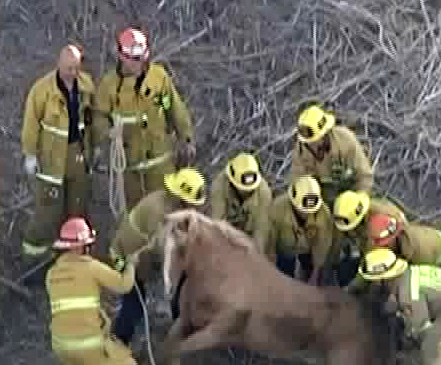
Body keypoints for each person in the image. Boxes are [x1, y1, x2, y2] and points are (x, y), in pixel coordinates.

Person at [46, 217, 144, 365]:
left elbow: (72, 307)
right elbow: (123, 285)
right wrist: (131, 266)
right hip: (89, 342)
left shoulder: (52, 273)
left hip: (61, 344)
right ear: (83, 246)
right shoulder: (90, 267)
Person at [95, 27, 196, 207]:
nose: (137, 64)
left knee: (166, 211)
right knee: (135, 218)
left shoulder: (158, 78)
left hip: (160, 162)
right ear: (121, 57)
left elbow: (172, 106)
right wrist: (107, 132)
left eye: (140, 59)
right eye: (133, 59)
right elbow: (99, 116)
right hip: (129, 167)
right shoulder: (109, 86)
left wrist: (185, 137)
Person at [108, 167, 206, 346]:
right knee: (134, 304)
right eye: (189, 202)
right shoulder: (158, 212)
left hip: (144, 254)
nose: (194, 207)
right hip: (128, 256)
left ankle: (181, 325)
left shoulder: (174, 205)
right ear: (179, 196)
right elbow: (162, 252)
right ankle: (117, 345)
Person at [20, 44, 99, 260]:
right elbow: (31, 123)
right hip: (50, 157)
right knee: (48, 211)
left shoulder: (86, 86)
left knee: (77, 205)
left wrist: (95, 147)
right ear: (59, 64)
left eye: (75, 68)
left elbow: (93, 120)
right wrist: (30, 154)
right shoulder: (42, 90)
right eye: (68, 68)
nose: (72, 73)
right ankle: (34, 257)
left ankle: (71, 254)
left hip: (76, 154)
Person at [351, 247, 441, 347]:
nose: (373, 284)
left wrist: (406, 338)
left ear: (382, 279)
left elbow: (422, 330)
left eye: (373, 281)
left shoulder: (408, 295)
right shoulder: (411, 272)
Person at [288, 103, 373, 205]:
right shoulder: (301, 152)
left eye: (314, 140)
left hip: (351, 198)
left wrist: (358, 201)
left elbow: (364, 176)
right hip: (321, 204)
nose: (310, 144)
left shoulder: (346, 140)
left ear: (324, 133)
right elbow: (297, 184)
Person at [266, 174, 337, 283]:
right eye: (302, 209)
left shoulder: (323, 213)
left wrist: (315, 275)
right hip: (285, 249)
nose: (306, 213)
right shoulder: (278, 207)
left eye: (311, 210)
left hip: (309, 249)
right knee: (284, 274)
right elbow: (270, 238)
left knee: (312, 275)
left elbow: (322, 245)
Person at [331, 189, 408, 286]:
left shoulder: (377, 226)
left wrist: (350, 289)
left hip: (389, 257)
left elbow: (371, 260)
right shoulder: (361, 210)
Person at [365, 211, 441, 275]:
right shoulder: (398, 240)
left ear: (393, 239)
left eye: (383, 244)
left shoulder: (419, 253)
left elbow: (418, 283)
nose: (380, 248)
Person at [206, 152, 273, 250]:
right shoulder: (219, 187)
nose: (247, 191)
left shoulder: (264, 192)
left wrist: (255, 254)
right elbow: (217, 222)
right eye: (243, 188)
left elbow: (261, 228)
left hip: (249, 233)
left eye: (250, 189)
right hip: (227, 231)